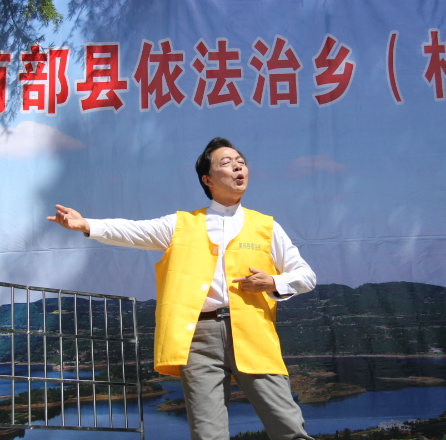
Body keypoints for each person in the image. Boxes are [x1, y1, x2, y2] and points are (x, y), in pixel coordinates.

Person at [48, 137, 316, 440]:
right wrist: (86, 225)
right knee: (207, 434)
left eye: (240, 162)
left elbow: (306, 276)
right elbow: (133, 230)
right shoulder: (181, 225)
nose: (237, 167)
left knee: (288, 427)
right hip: (198, 338)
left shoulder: (267, 227)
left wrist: (273, 282)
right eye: (226, 163)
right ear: (208, 179)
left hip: (254, 333)